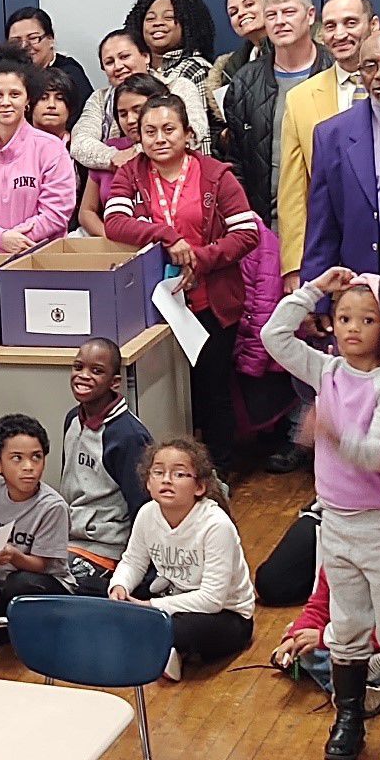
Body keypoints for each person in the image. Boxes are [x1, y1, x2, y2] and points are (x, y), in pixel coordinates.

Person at [262, 267, 380, 760]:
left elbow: (377, 454)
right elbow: (273, 335)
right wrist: (313, 290)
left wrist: (332, 431)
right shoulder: (328, 371)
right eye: (342, 317)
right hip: (334, 520)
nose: (352, 327)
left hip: (379, 524)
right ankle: (349, 718)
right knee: (347, 623)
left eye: (367, 318)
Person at [105, 94, 259, 475]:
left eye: (169, 129)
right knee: (169, 395)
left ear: (188, 133)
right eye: (149, 131)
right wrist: (166, 236)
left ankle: (218, 475)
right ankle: (170, 475)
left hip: (211, 302)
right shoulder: (131, 174)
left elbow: (247, 232)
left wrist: (199, 258)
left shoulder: (215, 175)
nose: (159, 139)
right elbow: (114, 222)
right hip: (155, 306)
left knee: (213, 392)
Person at [109, 439, 256, 683]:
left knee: (179, 629)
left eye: (179, 474)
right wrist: (120, 586)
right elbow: (133, 561)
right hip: (173, 599)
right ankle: (164, 646)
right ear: (148, 482)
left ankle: (166, 645)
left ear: (199, 486)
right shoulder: (148, 514)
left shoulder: (215, 525)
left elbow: (211, 599)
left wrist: (149, 608)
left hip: (226, 615)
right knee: (103, 599)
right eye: (158, 472)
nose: (166, 480)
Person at [279, 0, 380, 289]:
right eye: (331, 26)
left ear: (372, 25)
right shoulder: (300, 99)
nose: (340, 34)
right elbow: (294, 192)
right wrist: (296, 268)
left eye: (350, 23)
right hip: (339, 260)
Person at [224, 0, 335, 229]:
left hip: (333, 220)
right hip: (267, 224)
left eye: (289, 12)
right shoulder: (244, 81)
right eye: (272, 15)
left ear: (309, 15)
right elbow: (235, 158)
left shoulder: (336, 70)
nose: (280, 21)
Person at [0, 45, 77, 254]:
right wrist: (0, 239)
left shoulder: (52, 149)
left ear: (28, 99)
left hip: (43, 264)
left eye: (15, 94)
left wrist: (11, 243)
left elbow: (56, 213)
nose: (6, 102)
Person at [59, 338, 152, 596]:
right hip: (69, 537)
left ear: (115, 382)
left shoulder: (128, 436)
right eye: (78, 367)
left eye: (96, 371)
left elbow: (143, 507)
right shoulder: (72, 419)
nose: (83, 376)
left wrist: (137, 573)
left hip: (107, 547)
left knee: (40, 582)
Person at [304, 30, 380, 283]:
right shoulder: (332, 135)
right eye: (370, 66)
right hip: (365, 284)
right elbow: (322, 229)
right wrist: (315, 300)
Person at [0, 414, 75, 618]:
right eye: (17, 458)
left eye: (36, 457)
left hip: (46, 585)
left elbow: (42, 565)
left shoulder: (52, 507)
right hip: (4, 586)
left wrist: (14, 555)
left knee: (20, 583)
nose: (29, 466)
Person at [70, 29, 208, 169]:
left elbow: (194, 131)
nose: (118, 66)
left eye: (124, 57)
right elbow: (79, 143)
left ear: (146, 56)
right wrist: (113, 157)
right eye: (109, 62)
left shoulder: (176, 86)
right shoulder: (100, 99)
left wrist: (136, 154)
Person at [273, 567, 380, 714]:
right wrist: (294, 636)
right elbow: (318, 606)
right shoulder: (338, 557)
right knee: (306, 648)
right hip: (348, 642)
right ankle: (360, 685)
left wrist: (325, 638)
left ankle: (358, 685)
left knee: (376, 662)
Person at [77, 74, 165, 237]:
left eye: (137, 110)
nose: (130, 120)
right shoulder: (111, 151)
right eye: (123, 114)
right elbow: (86, 212)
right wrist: (111, 238)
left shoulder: (169, 153)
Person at [125, 0, 217, 112]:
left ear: (187, 25)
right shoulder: (136, 68)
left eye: (169, 17)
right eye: (150, 19)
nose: (158, 23)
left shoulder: (194, 68)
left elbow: (201, 124)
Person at [5, 6, 95, 110]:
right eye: (15, 42)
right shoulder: (4, 74)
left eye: (33, 38)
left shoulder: (71, 74)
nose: (23, 46)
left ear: (51, 39)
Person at [209, 0, 269, 94]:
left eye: (249, 4)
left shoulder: (297, 49)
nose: (241, 13)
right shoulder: (232, 67)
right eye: (233, 12)